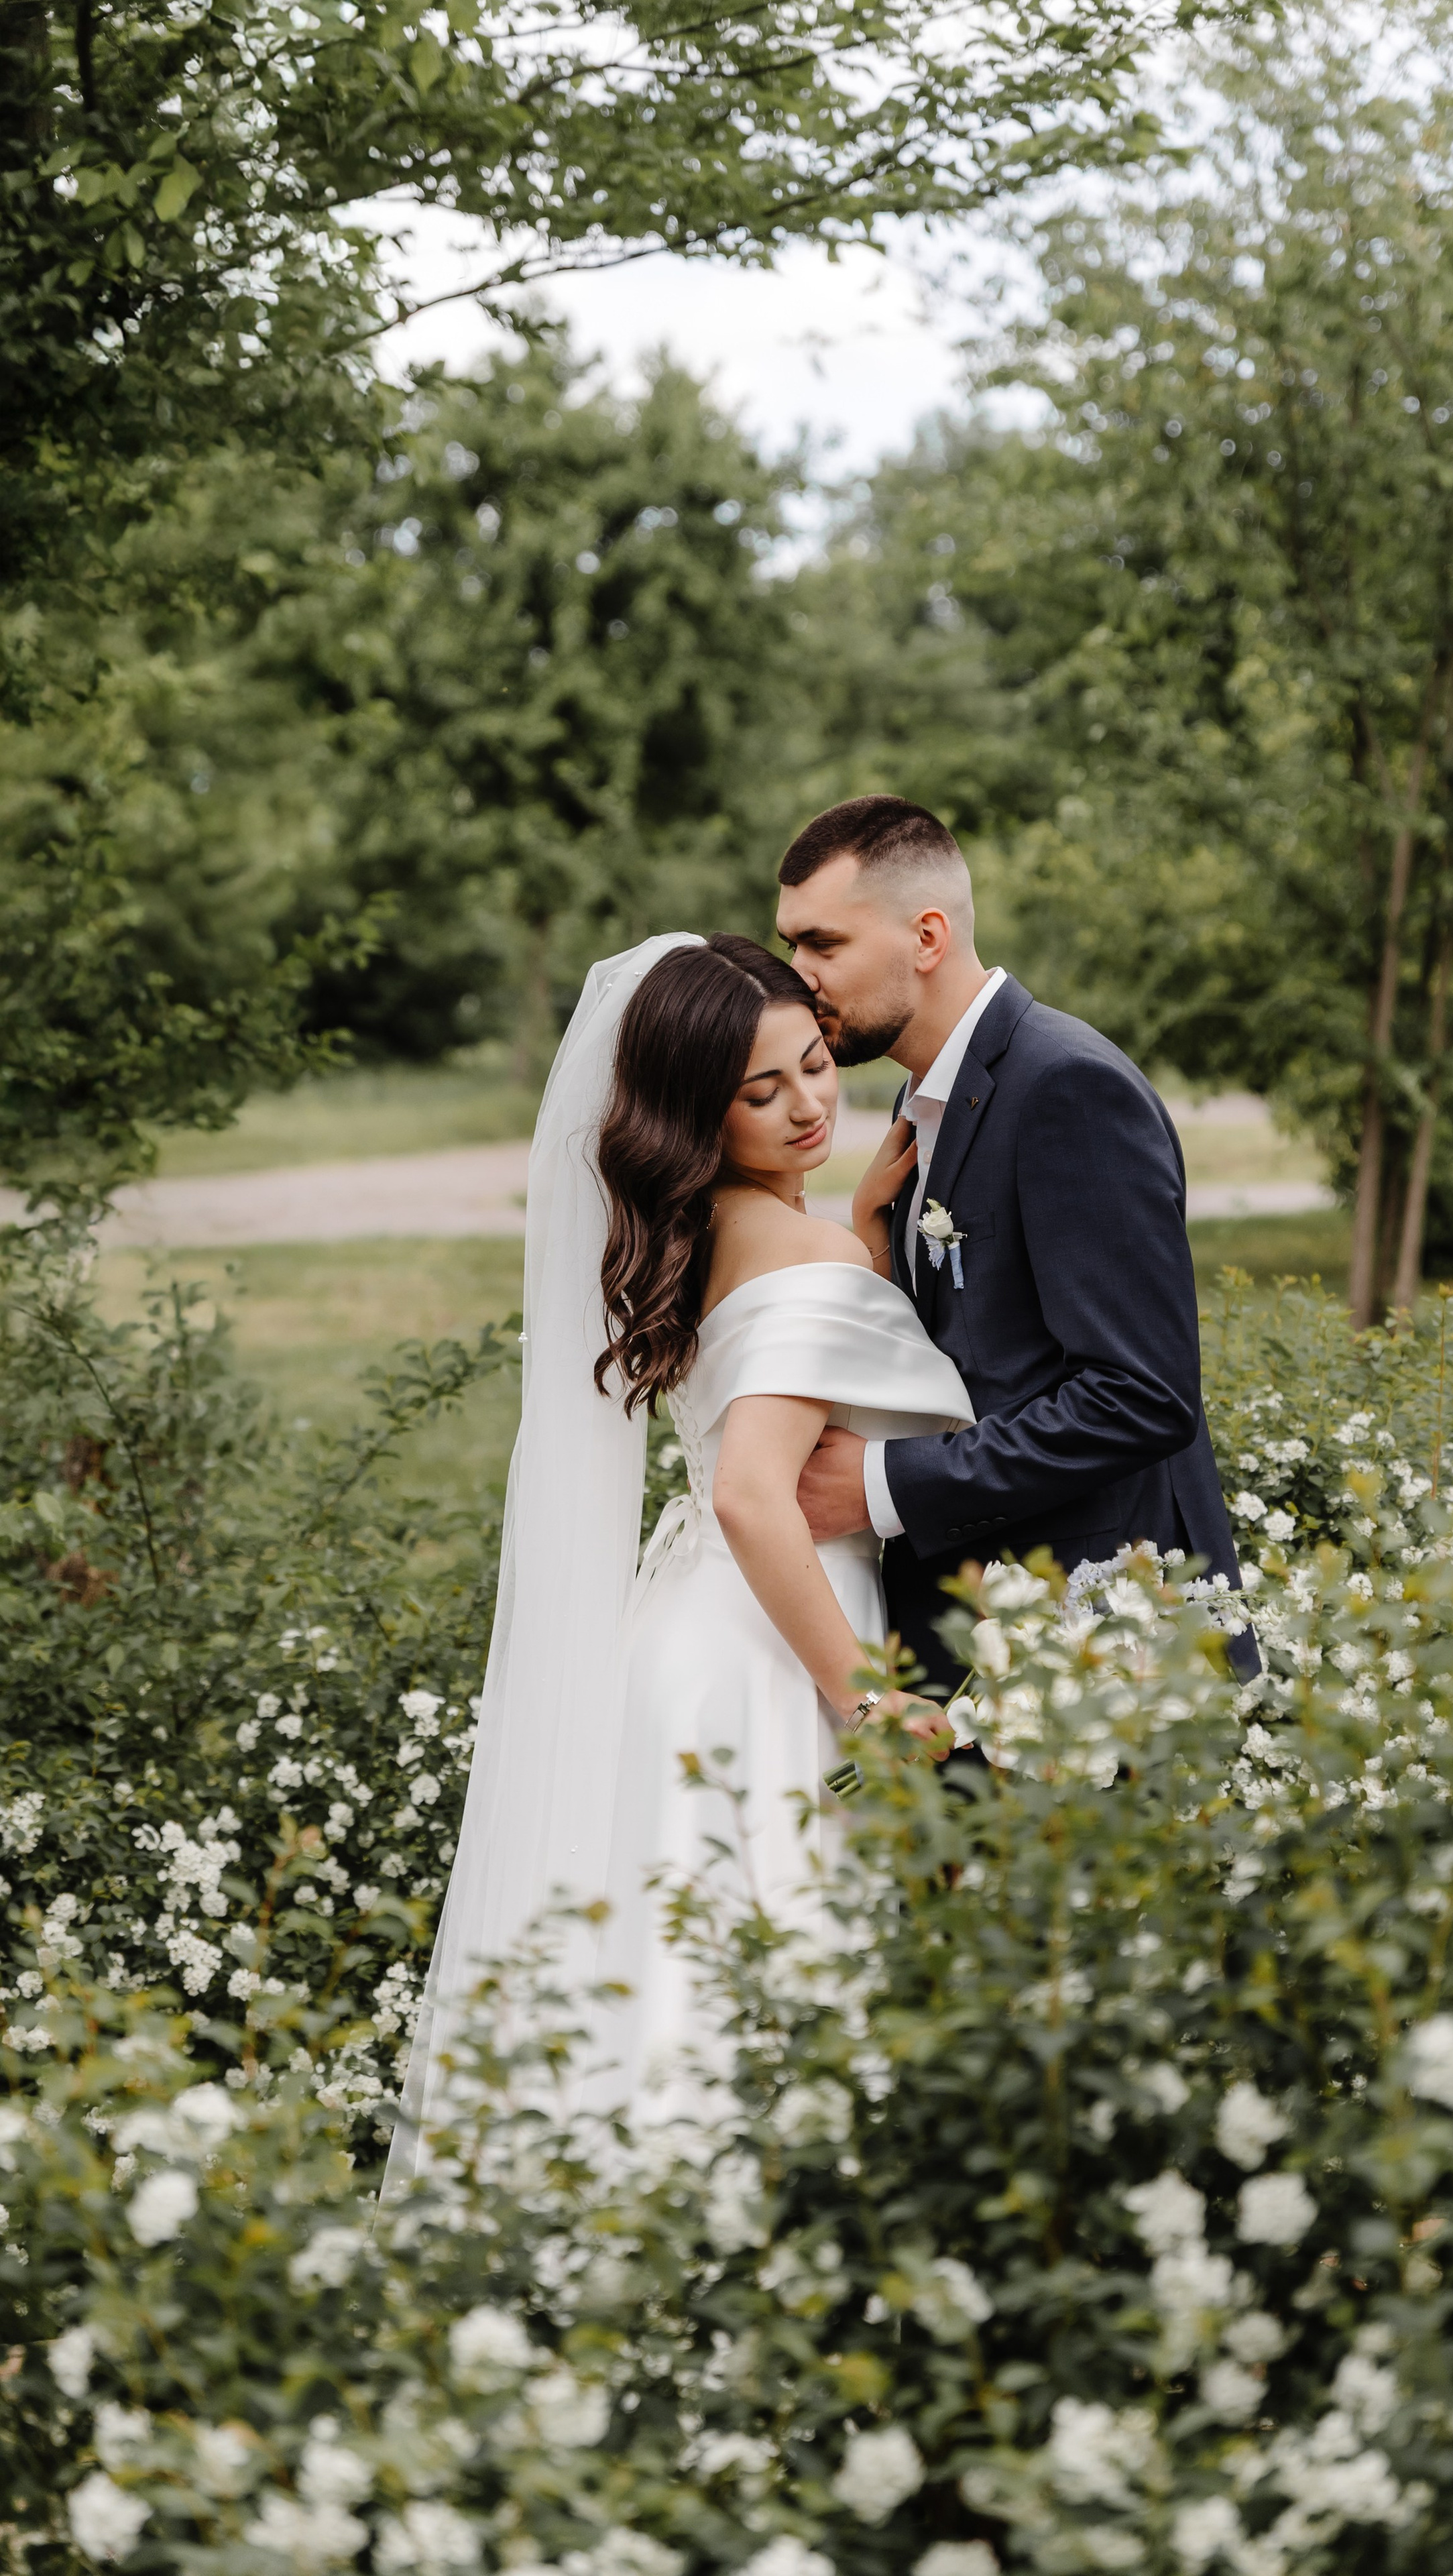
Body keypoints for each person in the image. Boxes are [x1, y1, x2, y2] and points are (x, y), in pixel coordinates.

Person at [386, 933, 970, 2184]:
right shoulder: (802, 1255)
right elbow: (758, 1498)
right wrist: (862, 1697)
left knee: (666, 1992)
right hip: (773, 1653)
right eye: (762, 1093)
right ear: (695, 1115)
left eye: (815, 1065)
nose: (810, 1104)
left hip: (694, 1639)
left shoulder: (707, 1234)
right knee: (757, 1992)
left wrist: (858, 1237)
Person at [776, 795, 1256, 1714]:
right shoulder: (927, 1096)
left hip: (1100, 1647)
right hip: (983, 1640)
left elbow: (1141, 1395)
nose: (800, 977)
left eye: (823, 945)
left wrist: (881, 1483)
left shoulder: (1065, 1087)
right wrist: (876, 1251)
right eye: (792, 945)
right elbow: (989, 1350)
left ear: (927, 936)